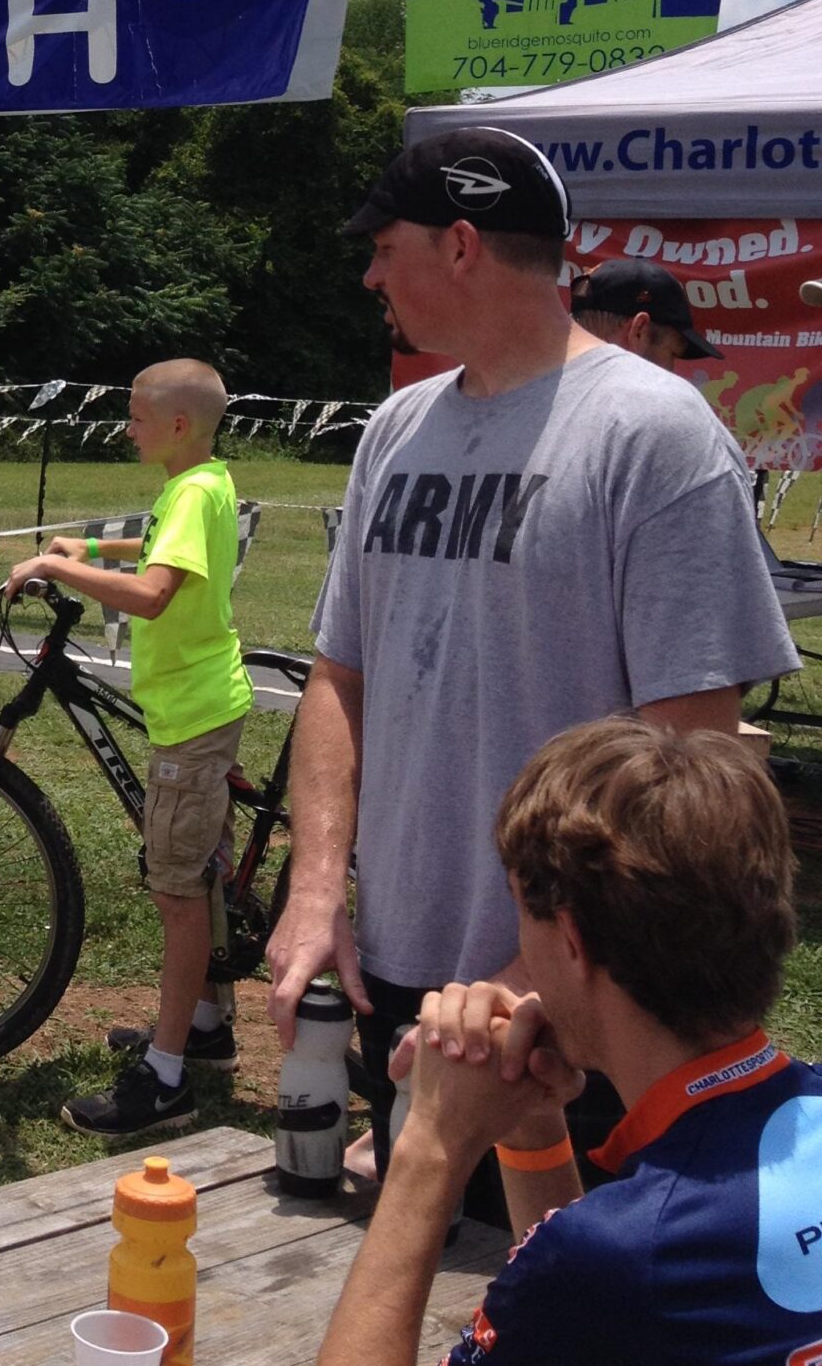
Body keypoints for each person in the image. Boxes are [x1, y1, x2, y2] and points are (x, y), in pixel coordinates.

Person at [266, 126, 796, 1210]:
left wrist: (525, 982)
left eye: (384, 244)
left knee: (551, 1323)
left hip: (581, 1001)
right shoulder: (396, 430)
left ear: (460, 244)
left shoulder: (654, 433)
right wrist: (319, 886)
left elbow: (691, 761)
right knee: (409, 1282)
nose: (369, 272)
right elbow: (338, 677)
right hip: (402, 967)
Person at [297, 717, 815, 1366]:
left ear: (569, 941)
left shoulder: (625, 1256)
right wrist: (535, 1132)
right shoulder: (632, 1255)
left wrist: (433, 1147)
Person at [9, 358, 253, 1137]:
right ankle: (206, 1027)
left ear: (177, 425)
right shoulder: (200, 481)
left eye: (137, 417)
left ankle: (168, 1076)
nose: (126, 428)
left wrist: (54, 568)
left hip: (192, 716)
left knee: (176, 893)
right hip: (201, 704)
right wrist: (86, 549)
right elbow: (157, 555)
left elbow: (154, 595)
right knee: (200, 876)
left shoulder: (191, 489)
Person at [568, 254, 720, 369]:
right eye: (672, 354)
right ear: (639, 331)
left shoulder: (548, 389)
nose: (673, 371)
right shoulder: (657, 405)